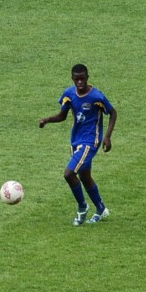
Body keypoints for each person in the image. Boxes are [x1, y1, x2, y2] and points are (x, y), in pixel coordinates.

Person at [38, 63, 117, 226]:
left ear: (87, 77)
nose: (79, 82)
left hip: (91, 141)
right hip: (76, 141)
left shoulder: (96, 97)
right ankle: (101, 209)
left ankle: (82, 207)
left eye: (82, 79)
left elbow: (113, 112)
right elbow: (62, 116)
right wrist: (47, 120)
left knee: (69, 174)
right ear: (72, 79)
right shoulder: (69, 94)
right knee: (85, 177)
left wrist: (107, 137)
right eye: (76, 79)